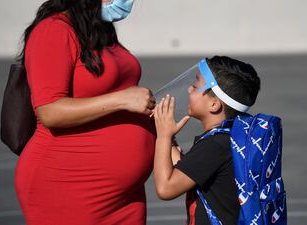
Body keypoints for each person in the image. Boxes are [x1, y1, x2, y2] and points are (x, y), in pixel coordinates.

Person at [14, 0, 156, 224]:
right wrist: (121, 100)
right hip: (69, 187)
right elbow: (50, 111)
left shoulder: (98, 28)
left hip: (126, 197)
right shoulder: (53, 29)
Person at [153, 56, 261, 225]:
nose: (189, 90)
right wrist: (169, 139)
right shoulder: (230, 135)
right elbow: (189, 171)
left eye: (195, 86)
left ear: (214, 104)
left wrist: (163, 137)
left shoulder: (215, 145)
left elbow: (165, 188)